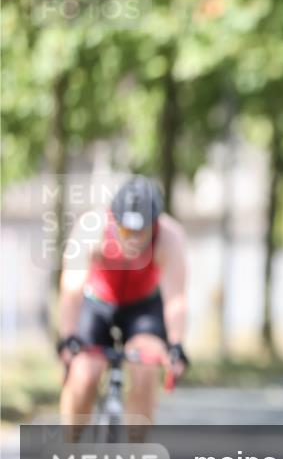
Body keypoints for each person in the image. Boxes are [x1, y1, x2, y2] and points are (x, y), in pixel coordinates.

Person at [57, 175, 189, 438]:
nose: (133, 240)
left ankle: (135, 454)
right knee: (84, 375)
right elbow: (71, 288)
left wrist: (176, 345)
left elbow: (176, 298)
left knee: (145, 369)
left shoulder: (170, 237)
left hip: (142, 307)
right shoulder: (91, 229)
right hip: (97, 303)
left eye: (142, 233)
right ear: (113, 219)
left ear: (155, 225)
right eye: (126, 231)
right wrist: (67, 337)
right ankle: (69, 450)